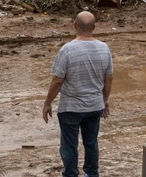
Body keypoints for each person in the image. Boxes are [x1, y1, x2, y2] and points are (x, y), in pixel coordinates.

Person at [43, 11, 113, 177]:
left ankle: (71, 174)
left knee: (69, 146)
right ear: (94, 27)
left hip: (70, 108)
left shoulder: (67, 50)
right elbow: (108, 78)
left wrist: (47, 103)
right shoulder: (104, 48)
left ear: (75, 25)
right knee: (91, 143)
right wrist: (105, 100)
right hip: (95, 105)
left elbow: (58, 80)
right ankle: (91, 173)